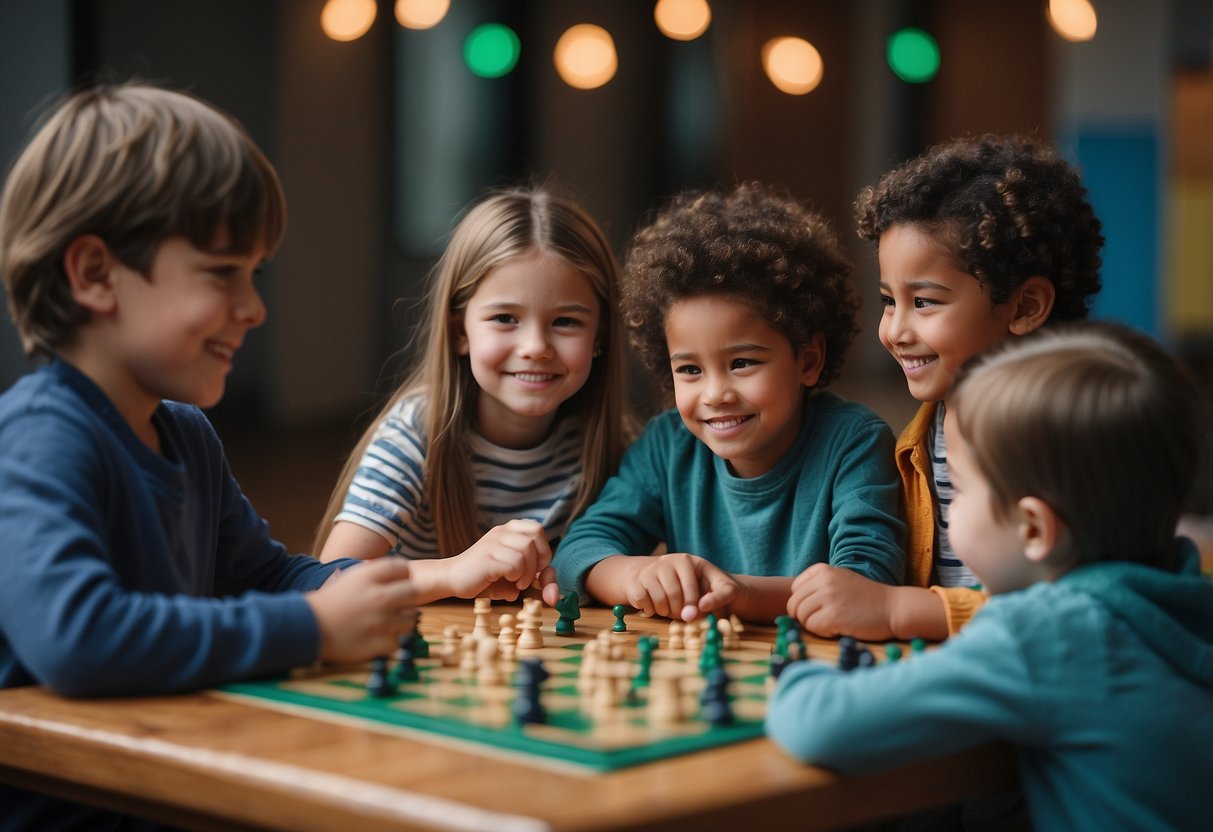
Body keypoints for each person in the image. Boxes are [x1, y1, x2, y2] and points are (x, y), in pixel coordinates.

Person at [0, 83, 418, 829]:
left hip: (166, 793)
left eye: (254, 274)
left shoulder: (187, 433)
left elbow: (265, 574)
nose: (254, 307)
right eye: (223, 272)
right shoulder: (39, 437)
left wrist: (364, 586)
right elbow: (77, 638)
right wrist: (315, 630)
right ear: (95, 273)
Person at [767, 321, 1213, 831]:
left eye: (958, 485)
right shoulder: (1183, 589)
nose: (948, 504)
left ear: (1032, 528)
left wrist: (793, 674)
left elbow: (821, 727)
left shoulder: (1044, 634)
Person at [788, 134, 1105, 640]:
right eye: (890, 301)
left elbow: (1080, 611)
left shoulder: (1072, 441)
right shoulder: (919, 439)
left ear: (1024, 307)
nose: (895, 330)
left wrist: (899, 611)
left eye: (927, 302)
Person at [553, 182, 906, 623]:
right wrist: (638, 575)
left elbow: (869, 580)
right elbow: (576, 554)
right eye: (690, 370)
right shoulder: (667, 447)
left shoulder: (852, 443)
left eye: (741, 362)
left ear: (808, 361)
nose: (715, 394)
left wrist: (738, 594)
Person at [315, 186, 636, 608]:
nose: (535, 346)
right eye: (505, 318)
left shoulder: (618, 444)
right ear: (460, 331)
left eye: (565, 321)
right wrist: (454, 571)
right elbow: (330, 578)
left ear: (600, 338)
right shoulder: (416, 432)